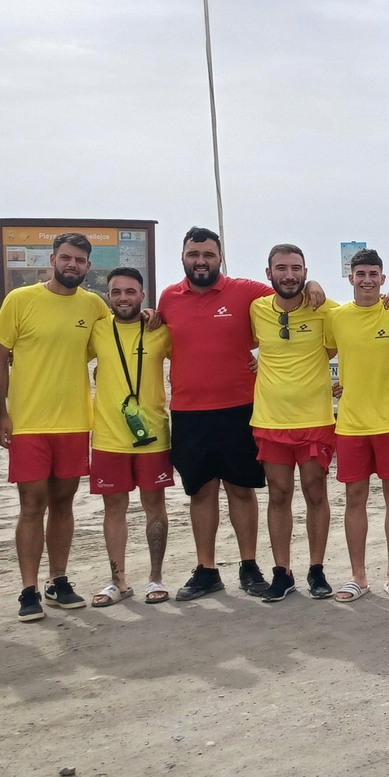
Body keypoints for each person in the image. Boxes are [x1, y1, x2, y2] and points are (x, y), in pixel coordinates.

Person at [153, 228, 281, 602]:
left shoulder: (247, 291)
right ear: (183, 257)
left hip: (239, 408)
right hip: (189, 412)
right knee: (202, 491)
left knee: (241, 490)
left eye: (208, 254)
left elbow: (292, 297)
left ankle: (249, 565)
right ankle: (207, 570)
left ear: (220, 257)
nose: (201, 261)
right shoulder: (168, 297)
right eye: (194, 254)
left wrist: (316, 286)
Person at [0, 232, 110, 619]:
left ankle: (59, 580)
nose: (72, 265)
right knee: (31, 504)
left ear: (88, 267)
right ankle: (29, 590)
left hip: (75, 422)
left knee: (63, 503)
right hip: (28, 423)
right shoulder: (21, 300)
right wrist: (1, 413)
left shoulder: (94, 306)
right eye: (66, 258)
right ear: (52, 260)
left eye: (79, 260)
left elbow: (116, 343)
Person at [325, 248, 389, 602]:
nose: (366, 280)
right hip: (350, 423)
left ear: (383, 278)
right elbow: (315, 354)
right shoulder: (336, 316)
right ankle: (358, 576)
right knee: (354, 499)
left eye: (373, 274)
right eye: (360, 274)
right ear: (350, 278)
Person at [250, 243, 338, 601]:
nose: (290, 275)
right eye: (282, 268)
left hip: (315, 419)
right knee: (278, 495)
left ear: (305, 271)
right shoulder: (256, 309)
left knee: (315, 493)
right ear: (269, 273)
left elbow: (341, 348)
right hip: (271, 420)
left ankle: (316, 570)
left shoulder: (325, 309)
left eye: (297, 268)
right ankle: (282, 573)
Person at [87, 267, 174, 608]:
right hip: (108, 436)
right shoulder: (96, 331)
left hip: (153, 436)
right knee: (114, 508)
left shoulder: (160, 330)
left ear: (142, 295)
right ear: (108, 296)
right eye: (116, 291)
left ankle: (156, 577)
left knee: (155, 506)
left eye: (130, 291)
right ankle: (117, 581)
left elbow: (198, 358)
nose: (123, 297)